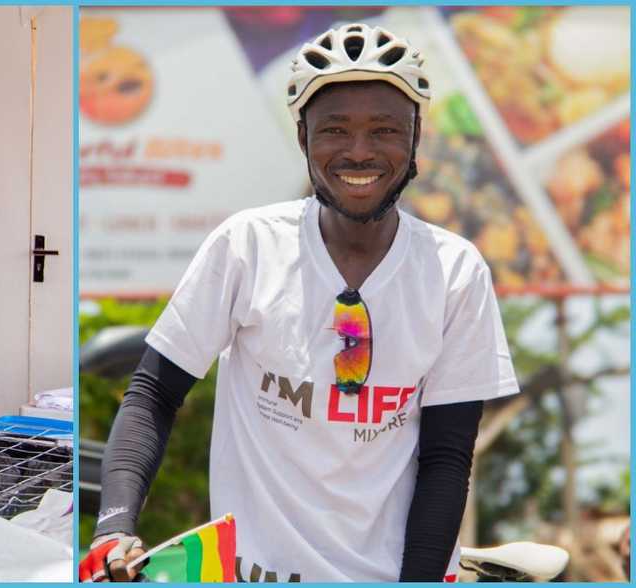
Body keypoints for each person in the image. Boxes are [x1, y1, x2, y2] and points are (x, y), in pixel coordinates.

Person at [79, 23, 519, 582]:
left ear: (415, 137)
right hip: (253, 574)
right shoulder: (248, 246)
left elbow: (446, 457)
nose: (360, 151)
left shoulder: (455, 272)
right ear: (303, 137)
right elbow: (153, 395)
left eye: (385, 129)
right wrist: (114, 527)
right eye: (335, 129)